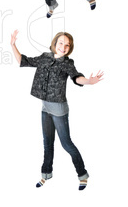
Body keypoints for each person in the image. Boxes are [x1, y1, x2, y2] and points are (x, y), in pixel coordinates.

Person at [10, 30, 103, 190]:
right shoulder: (45, 57)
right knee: (47, 143)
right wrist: (13, 44)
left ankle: (82, 175)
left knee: (66, 144)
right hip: (45, 107)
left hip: (59, 109)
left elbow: (76, 77)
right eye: (61, 42)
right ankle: (46, 174)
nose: (63, 46)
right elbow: (23, 61)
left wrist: (88, 81)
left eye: (67, 45)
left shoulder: (67, 63)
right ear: (55, 43)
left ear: (69, 48)